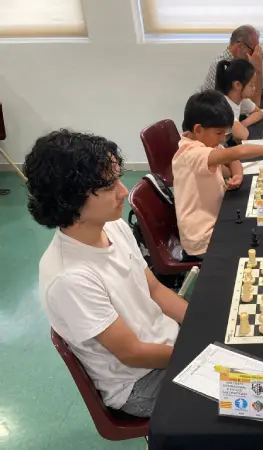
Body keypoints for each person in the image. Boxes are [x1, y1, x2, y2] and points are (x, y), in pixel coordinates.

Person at [24, 130, 188, 418]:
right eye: (110, 186)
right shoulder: (69, 278)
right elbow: (132, 353)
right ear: (70, 198)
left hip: (166, 346)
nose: (124, 191)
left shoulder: (113, 226)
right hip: (140, 382)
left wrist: (202, 325)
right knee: (246, 389)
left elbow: (155, 290)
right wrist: (198, 350)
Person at [172, 91, 263, 261]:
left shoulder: (205, 143)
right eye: (219, 133)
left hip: (216, 221)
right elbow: (237, 152)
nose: (223, 138)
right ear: (198, 129)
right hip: (202, 238)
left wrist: (237, 174)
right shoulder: (191, 153)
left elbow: (232, 159)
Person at [200, 25, 263, 106]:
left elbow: (253, 103)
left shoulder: (238, 63)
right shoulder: (223, 66)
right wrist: (257, 69)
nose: (255, 55)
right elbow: (254, 104)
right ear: (241, 46)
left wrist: (258, 69)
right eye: (253, 50)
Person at [216, 58, 263, 141]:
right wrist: (240, 127)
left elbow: (259, 113)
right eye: (251, 85)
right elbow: (243, 135)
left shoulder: (241, 99)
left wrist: (243, 124)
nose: (254, 88)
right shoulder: (223, 106)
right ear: (237, 85)